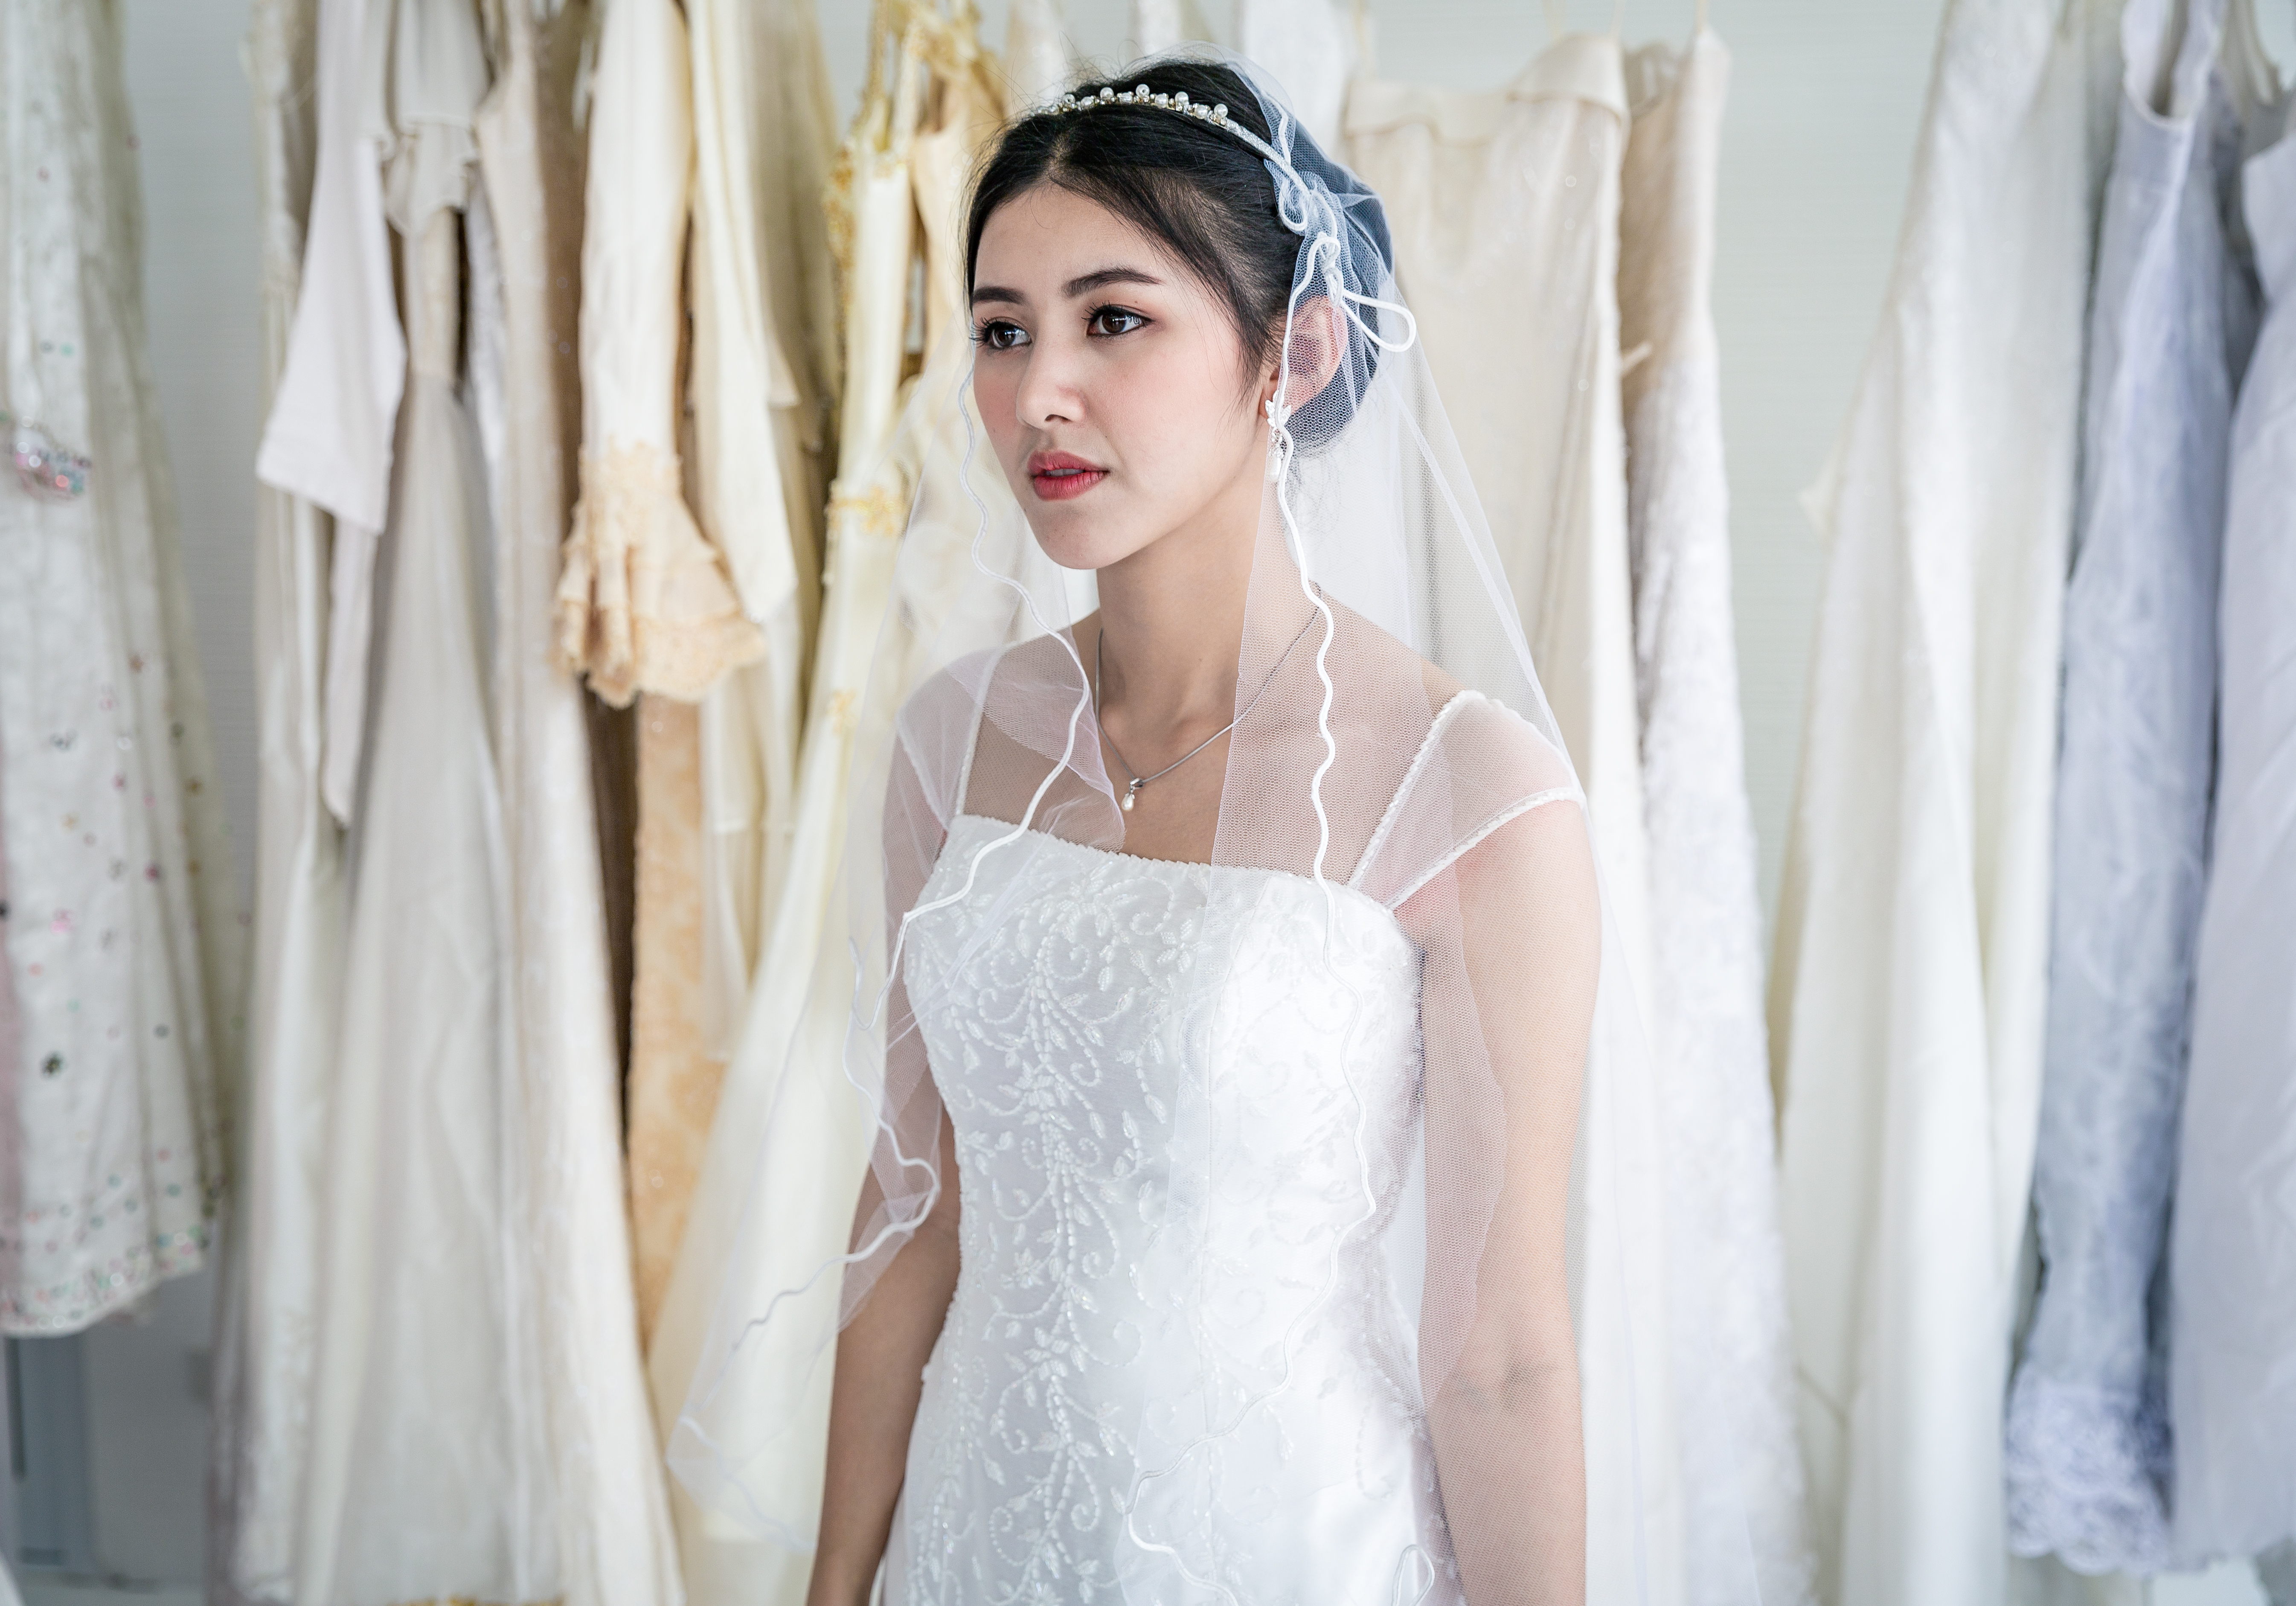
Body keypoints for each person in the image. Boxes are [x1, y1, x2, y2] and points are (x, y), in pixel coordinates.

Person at [673, 54, 1688, 1606]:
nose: (1040, 394)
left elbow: (1499, 1358)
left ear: (1293, 354)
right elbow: (912, 1215)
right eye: (1002, 332)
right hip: (973, 1535)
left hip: (1283, 1545)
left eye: (1114, 318)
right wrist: (839, 1583)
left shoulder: (1471, 790)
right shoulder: (958, 740)